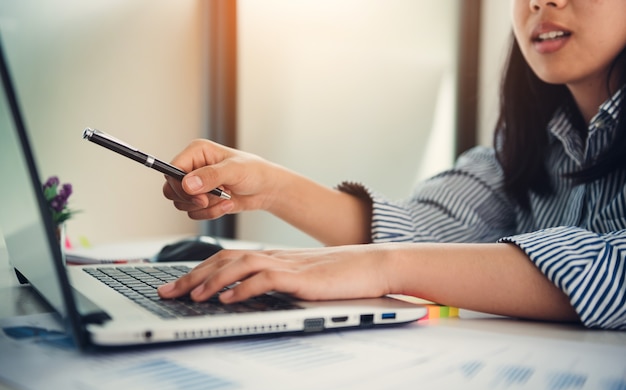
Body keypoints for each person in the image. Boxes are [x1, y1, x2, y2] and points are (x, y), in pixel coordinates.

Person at [158, 0, 626, 330]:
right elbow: (426, 229)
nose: (544, 2)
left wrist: (383, 266)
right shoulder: (527, 146)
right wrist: (270, 185)